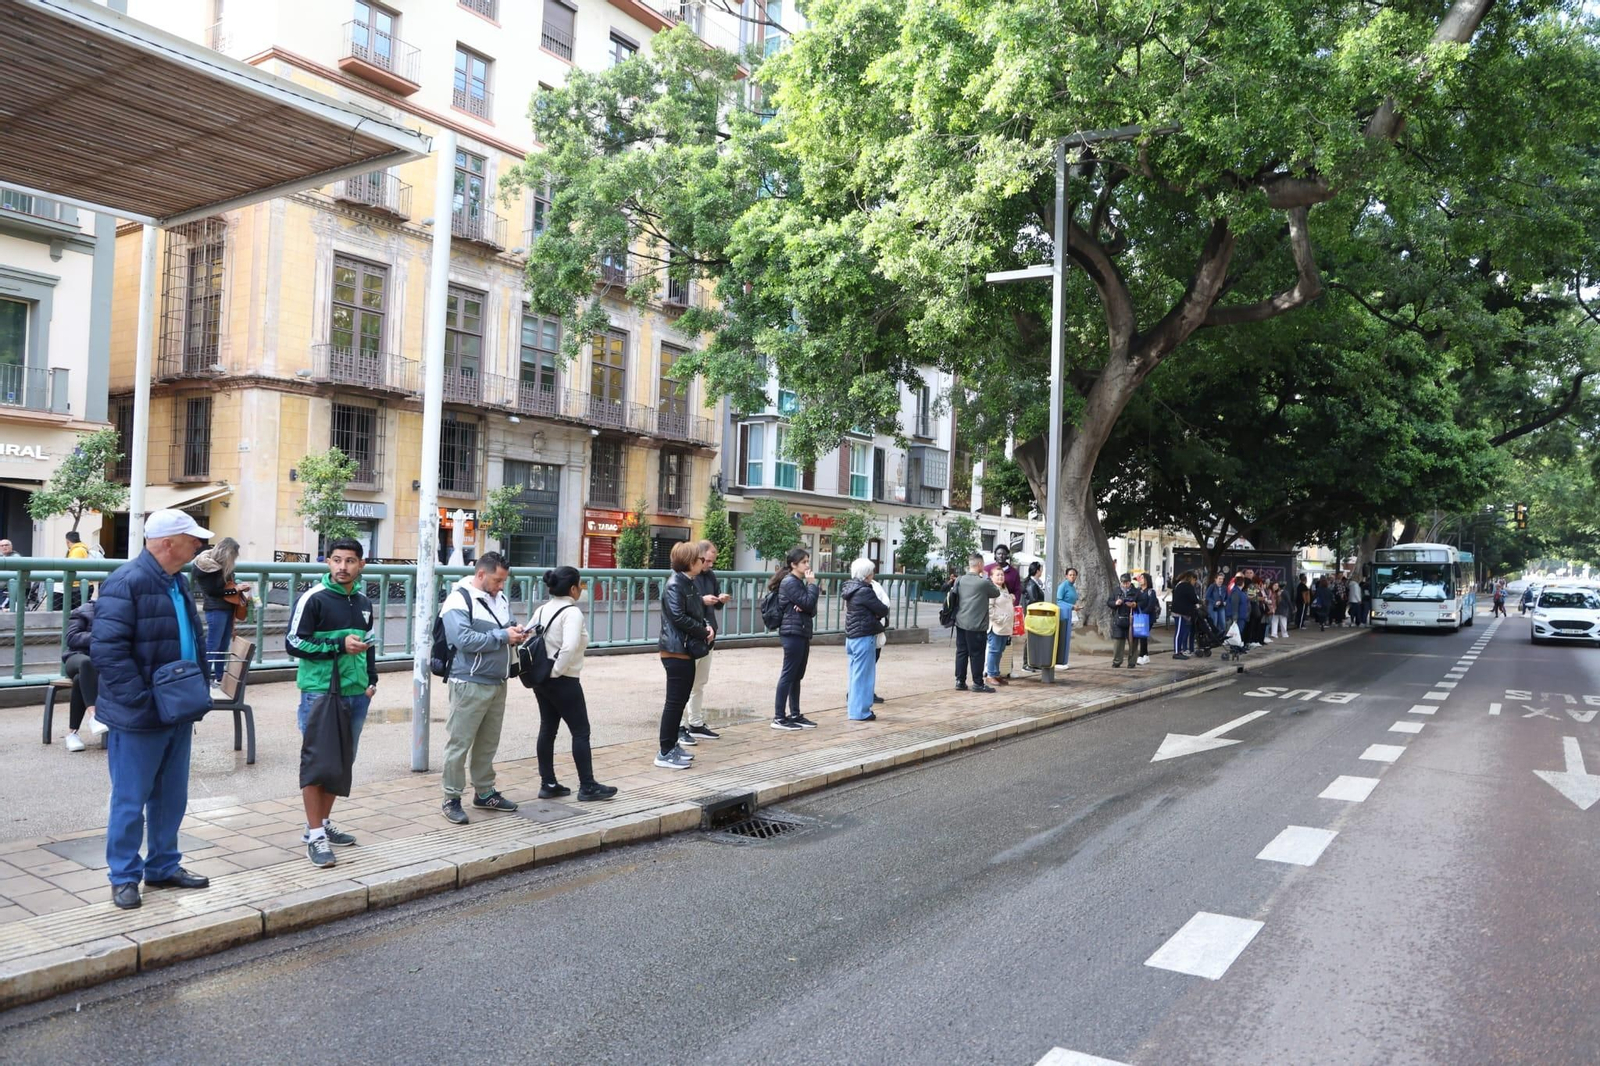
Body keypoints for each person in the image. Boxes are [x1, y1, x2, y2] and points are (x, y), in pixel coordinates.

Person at [92, 509, 215, 910]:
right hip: (142, 713)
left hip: (177, 707)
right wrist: (141, 701)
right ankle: (124, 875)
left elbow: (193, 638)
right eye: (191, 539)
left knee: (171, 795)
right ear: (166, 543)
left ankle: (163, 866)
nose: (198, 545)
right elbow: (107, 651)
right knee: (131, 798)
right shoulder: (127, 581)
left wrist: (197, 688)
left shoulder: (177, 580)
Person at [285, 538, 378, 867]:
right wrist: (338, 645)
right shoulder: (314, 598)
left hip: (356, 693)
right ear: (328, 562)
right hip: (321, 692)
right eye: (337, 560)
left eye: (350, 561)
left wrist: (372, 681)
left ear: (361, 565)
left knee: (341, 764)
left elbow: (369, 644)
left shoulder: (364, 601)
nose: (342, 567)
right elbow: (294, 643)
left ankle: (321, 825)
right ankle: (315, 836)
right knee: (319, 763)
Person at [439, 552, 527, 824]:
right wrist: (503, 636)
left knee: (488, 742)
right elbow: (463, 639)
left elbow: (505, 628)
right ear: (481, 574)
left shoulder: (499, 598)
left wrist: (517, 632)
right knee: (460, 743)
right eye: (497, 580)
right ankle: (451, 798)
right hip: (468, 681)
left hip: (497, 680)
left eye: (503, 581)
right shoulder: (458, 600)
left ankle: (485, 792)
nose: (501, 586)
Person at [529, 566, 617, 801]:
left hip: (541, 680)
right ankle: (587, 786)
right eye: (580, 585)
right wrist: (557, 671)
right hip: (564, 680)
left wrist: (547, 673)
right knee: (580, 731)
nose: (581, 589)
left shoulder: (541, 610)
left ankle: (548, 783)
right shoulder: (572, 613)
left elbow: (528, 636)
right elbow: (568, 647)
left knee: (548, 729)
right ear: (572, 589)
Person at [658, 540, 713, 767]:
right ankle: (665, 751)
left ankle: (672, 746)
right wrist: (703, 631)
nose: (704, 562)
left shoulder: (688, 582)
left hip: (684, 649)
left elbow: (695, 612)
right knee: (674, 703)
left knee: (679, 701)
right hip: (676, 650)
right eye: (700, 559)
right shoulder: (675, 584)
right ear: (690, 561)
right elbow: (678, 617)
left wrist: (706, 625)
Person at [681, 540, 730, 747]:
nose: (709, 565)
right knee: (684, 684)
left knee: (699, 682)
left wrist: (720, 600)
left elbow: (714, 605)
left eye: (711, 561)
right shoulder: (684, 578)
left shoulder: (710, 576)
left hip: (708, 633)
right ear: (697, 558)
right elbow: (680, 607)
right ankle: (680, 726)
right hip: (692, 635)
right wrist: (701, 600)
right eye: (707, 561)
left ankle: (695, 722)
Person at [770, 547, 820, 729]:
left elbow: (811, 608)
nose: (807, 565)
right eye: (804, 562)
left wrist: (806, 605)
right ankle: (779, 717)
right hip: (792, 633)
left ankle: (795, 714)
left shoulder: (799, 582)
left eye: (808, 561)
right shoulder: (790, 582)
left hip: (802, 631)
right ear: (793, 564)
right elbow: (808, 602)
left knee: (797, 675)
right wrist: (812, 585)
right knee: (788, 674)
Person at [192, 537, 249, 687]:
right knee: (214, 645)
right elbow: (213, 591)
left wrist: (236, 588)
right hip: (216, 608)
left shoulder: (215, 564)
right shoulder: (207, 566)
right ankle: (206, 678)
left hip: (224, 607)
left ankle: (218, 677)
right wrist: (235, 590)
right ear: (228, 553)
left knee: (222, 645)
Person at [842, 558, 889, 721]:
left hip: (851, 637)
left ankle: (854, 709)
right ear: (867, 574)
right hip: (864, 635)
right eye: (871, 572)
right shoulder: (865, 591)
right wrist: (875, 614)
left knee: (854, 675)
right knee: (864, 676)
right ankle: (860, 712)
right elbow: (883, 609)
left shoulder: (849, 588)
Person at [60, 599, 106, 751]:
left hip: (102, 664)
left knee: (79, 680)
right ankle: (94, 716)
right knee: (86, 663)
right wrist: (100, 636)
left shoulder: (120, 612)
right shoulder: (84, 610)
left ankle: (72, 734)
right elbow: (71, 638)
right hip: (76, 657)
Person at [953, 553, 1000, 691]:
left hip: (961, 622)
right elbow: (996, 592)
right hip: (977, 624)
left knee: (961, 652)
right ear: (979, 564)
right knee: (977, 654)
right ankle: (978, 683)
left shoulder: (960, 580)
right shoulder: (983, 582)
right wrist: (985, 577)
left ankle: (960, 681)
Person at [982, 566, 1015, 688]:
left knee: (1000, 651)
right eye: (997, 575)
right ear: (991, 577)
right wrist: (998, 619)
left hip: (1005, 627)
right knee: (994, 650)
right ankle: (990, 674)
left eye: (1002, 574)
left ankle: (996, 673)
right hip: (996, 627)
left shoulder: (1004, 590)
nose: (1000, 577)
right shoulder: (992, 590)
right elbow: (988, 608)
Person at [869, 562, 892, 702]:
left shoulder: (875, 585)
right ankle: (861, 693)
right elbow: (882, 605)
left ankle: (865, 692)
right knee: (865, 664)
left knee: (871, 662)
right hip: (867, 630)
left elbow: (885, 603)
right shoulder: (864, 588)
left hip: (875, 627)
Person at [1019, 561, 1045, 671]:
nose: (1042, 571)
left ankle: (1033, 662)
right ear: (1037, 570)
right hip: (1032, 615)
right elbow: (1033, 601)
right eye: (1041, 569)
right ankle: (1026, 663)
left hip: (1035, 615)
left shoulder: (1035, 583)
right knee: (1030, 639)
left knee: (1034, 638)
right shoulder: (1031, 584)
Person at [1108, 573, 1137, 668]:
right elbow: (1109, 602)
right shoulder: (1116, 591)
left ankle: (1132, 662)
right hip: (1119, 618)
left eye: (1127, 583)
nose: (1125, 585)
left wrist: (1134, 604)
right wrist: (1116, 603)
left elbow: (1141, 603)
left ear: (1130, 582)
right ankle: (1117, 661)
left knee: (1133, 642)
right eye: (1123, 583)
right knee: (1118, 642)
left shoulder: (1135, 591)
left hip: (1132, 619)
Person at [1054, 566, 1079, 668]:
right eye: (1070, 575)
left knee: (1067, 637)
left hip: (1070, 613)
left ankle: (1064, 661)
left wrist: (1074, 607)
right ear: (1066, 576)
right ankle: (1059, 661)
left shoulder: (1073, 587)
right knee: (1062, 636)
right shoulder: (1063, 586)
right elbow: (1058, 600)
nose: (1072, 576)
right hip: (1062, 614)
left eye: (1074, 575)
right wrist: (1071, 606)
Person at [60, 529, 91, 610]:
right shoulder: (82, 548)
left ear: (68, 541)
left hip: (77, 585)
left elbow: (71, 566)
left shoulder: (76, 551)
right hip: (83, 584)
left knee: (76, 611)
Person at [1171, 571, 1198, 660]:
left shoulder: (1179, 585)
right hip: (1180, 612)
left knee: (1181, 631)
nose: (1195, 582)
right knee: (1179, 632)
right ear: (1191, 579)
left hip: (1179, 611)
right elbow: (1194, 599)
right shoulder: (1187, 586)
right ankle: (1177, 652)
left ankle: (1179, 650)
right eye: (1194, 580)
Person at [1134, 573, 1159, 664]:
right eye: (1140, 578)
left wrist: (1143, 613)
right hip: (1140, 616)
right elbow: (1135, 601)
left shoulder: (1151, 592)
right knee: (1142, 636)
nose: (1140, 580)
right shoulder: (1138, 591)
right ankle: (1145, 655)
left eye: (1142, 578)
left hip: (1148, 617)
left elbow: (1151, 606)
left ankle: (1142, 655)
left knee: (1143, 635)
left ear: (1146, 580)